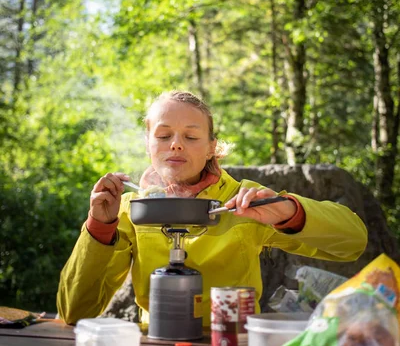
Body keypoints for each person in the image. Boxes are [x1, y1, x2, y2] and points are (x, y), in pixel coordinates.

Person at [57, 90, 368, 326]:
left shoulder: (245, 201)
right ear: (147, 145)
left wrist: (290, 212)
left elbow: (353, 242)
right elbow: (74, 312)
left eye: (191, 136)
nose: (175, 144)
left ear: (211, 149)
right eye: (164, 135)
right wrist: (99, 228)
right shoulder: (131, 209)